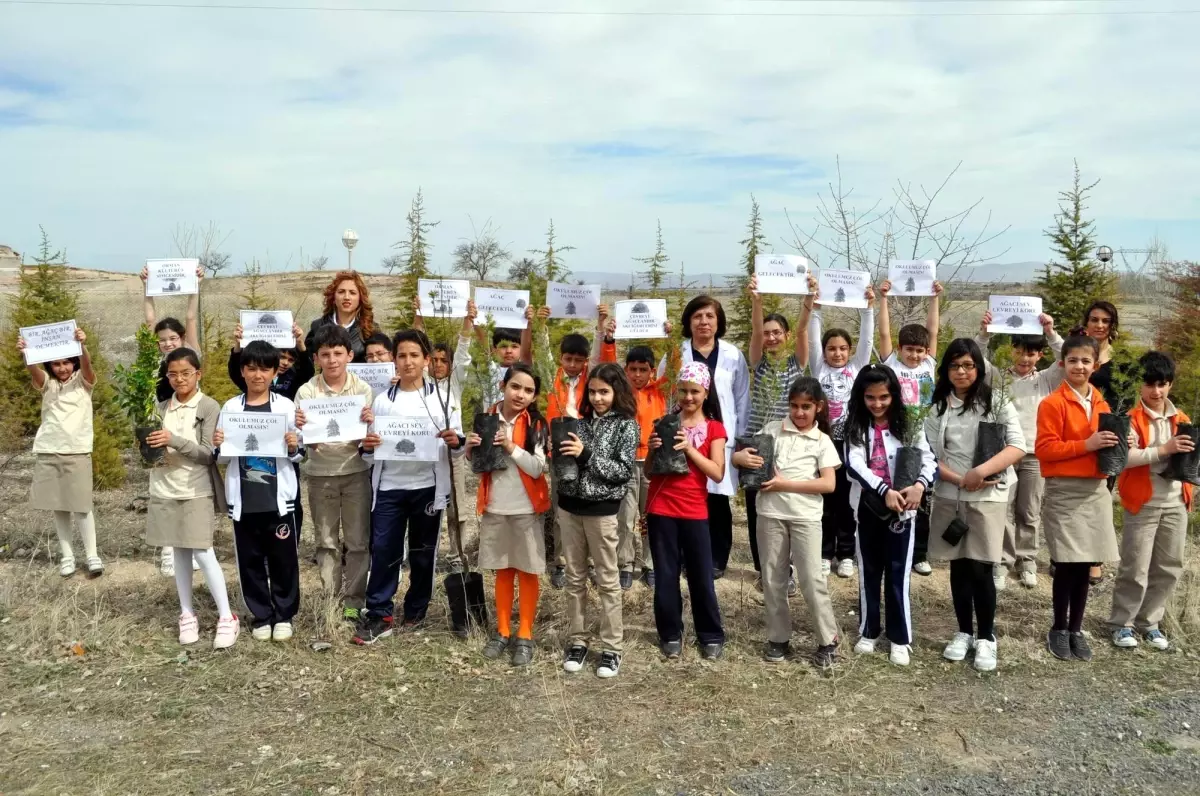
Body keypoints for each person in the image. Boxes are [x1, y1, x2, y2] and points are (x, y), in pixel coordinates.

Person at [354, 330, 464, 645]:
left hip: (427, 487)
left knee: (422, 553)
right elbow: (367, 453)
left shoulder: (442, 398)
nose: (408, 361)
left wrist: (454, 440)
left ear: (426, 360)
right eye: (401, 355)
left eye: (415, 355)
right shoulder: (382, 401)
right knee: (385, 550)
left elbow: (457, 446)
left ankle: (415, 610)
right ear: (394, 361)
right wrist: (369, 446)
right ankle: (380, 614)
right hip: (389, 487)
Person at [924, 339, 1026, 673]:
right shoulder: (939, 406)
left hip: (987, 495)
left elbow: (1017, 446)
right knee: (958, 566)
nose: (962, 372)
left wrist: (979, 472)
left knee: (982, 567)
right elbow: (928, 453)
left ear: (979, 368)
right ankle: (963, 631)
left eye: (968, 365)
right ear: (946, 370)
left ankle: (987, 637)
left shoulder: (995, 402)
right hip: (951, 496)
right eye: (955, 366)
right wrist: (958, 479)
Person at [735, 377, 841, 666]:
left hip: (806, 518)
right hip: (770, 514)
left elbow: (828, 484)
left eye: (806, 407)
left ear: (818, 407)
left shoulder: (822, 441)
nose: (799, 413)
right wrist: (739, 458)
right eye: (794, 406)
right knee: (772, 578)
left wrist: (784, 484)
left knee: (810, 578)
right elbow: (746, 457)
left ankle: (827, 639)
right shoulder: (772, 430)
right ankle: (779, 638)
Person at [1035, 334, 1120, 662]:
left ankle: (1076, 628)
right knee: (1067, 563)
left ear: (1095, 365)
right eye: (1073, 361)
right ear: (1062, 363)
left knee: (1086, 564)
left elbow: (1110, 449)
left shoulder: (1101, 403)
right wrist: (1087, 444)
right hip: (1065, 491)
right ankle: (1058, 627)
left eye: (1086, 361)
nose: (1079, 366)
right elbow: (1044, 449)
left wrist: (1121, 439)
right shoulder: (1052, 403)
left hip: (1095, 492)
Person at [144, 349, 237, 649]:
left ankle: (226, 616)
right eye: (173, 374)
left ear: (198, 374)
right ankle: (187, 613)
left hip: (196, 489)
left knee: (202, 550)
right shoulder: (159, 408)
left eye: (186, 373)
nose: (179, 379)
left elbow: (208, 454)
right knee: (179, 552)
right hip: (164, 488)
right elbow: (149, 454)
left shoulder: (208, 406)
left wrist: (173, 440)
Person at [843, 365, 935, 667]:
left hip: (903, 511)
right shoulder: (855, 426)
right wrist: (883, 490)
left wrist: (919, 486)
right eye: (870, 397)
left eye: (884, 397)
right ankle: (868, 630)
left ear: (894, 395)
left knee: (897, 573)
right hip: (869, 508)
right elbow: (854, 463)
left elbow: (928, 459)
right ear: (861, 397)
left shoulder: (910, 424)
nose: (878, 404)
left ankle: (899, 637)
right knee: (869, 571)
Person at [214, 341, 305, 642]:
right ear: (242, 371)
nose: (257, 375)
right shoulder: (231, 407)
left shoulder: (285, 407)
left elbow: (300, 454)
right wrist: (218, 443)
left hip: (278, 500)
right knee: (250, 560)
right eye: (251, 368)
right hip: (245, 500)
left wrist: (294, 445)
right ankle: (261, 615)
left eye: (264, 368)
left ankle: (284, 614)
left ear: (274, 371)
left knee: (283, 559)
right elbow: (223, 457)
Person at [556, 363, 640, 678]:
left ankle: (611, 648)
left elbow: (621, 471)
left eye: (603, 391)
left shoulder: (626, 427)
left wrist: (586, 454)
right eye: (592, 391)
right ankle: (577, 640)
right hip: (569, 507)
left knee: (607, 580)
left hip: (602, 511)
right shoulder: (578, 423)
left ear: (617, 391)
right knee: (575, 577)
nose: (597, 398)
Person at [657, 295, 749, 579]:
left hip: (721, 436)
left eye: (710, 316)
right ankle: (688, 557)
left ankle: (717, 558)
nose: (704, 322)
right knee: (689, 496)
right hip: (685, 435)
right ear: (688, 321)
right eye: (697, 316)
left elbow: (742, 395)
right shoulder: (676, 352)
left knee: (719, 500)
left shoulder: (733, 354)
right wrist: (667, 428)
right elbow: (664, 391)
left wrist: (741, 434)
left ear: (718, 321)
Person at [466, 363, 550, 667]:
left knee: (528, 570)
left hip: (526, 508)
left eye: (529, 390)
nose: (521, 394)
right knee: (502, 570)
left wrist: (512, 446)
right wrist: (470, 448)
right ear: (503, 386)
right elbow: (476, 465)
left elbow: (539, 468)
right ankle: (502, 631)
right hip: (495, 505)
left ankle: (525, 633)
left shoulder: (537, 424)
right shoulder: (486, 418)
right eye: (516, 386)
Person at [1109, 351, 1193, 651]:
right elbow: (1123, 460)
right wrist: (1163, 449)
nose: (1156, 391)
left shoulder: (1182, 418)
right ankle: (1122, 624)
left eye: (1162, 384)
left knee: (1169, 565)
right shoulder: (1129, 419)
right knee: (1136, 566)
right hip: (1143, 500)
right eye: (1150, 384)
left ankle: (1150, 623)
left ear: (1170, 385)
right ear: (1139, 385)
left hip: (1176, 501)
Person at [645, 362, 727, 660]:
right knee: (666, 575)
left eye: (694, 391)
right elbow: (649, 472)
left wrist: (689, 449)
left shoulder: (714, 428)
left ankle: (710, 634)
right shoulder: (665, 421)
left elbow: (717, 473)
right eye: (683, 390)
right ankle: (670, 633)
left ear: (706, 393)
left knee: (700, 575)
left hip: (695, 510)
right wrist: (653, 448)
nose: (688, 397)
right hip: (662, 507)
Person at [975, 311, 1064, 589]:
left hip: (1035, 456)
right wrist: (985, 334)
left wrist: (1050, 333)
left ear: (1039, 355)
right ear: (1011, 350)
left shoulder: (1047, 379)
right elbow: (977, 361)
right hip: (1004, 454)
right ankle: (1001, 561)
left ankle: (1027, 561)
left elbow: (1065, 357)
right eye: (1020, 351)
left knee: (1029, 510)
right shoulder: (999, 378)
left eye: (1032, 353)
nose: (1025, 358)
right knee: (1003, 509)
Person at [523, 303, 607, 589]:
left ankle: (592, 562)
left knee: (591, 502)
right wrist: (541, 325)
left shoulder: (590, 379)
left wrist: (600, 324)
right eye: (568, 359)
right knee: (563, 507)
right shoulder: (552, 376)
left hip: (585, 446)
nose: (573, 364)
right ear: (561, 358)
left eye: (578, 360)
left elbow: (598, 355)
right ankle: (561, 562)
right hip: (557, 450)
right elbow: (543, 356)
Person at [295, 324, 375, 622]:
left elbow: (372, 438)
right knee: (326, 542)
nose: (332, 360)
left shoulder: (363, 390)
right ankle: (331, 598)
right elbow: (299, 440)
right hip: (320, 474)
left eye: (338, 353)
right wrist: (301, 427)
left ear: (349, 355)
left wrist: (369, 423)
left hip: (356, 472)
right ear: (316, 358)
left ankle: (354, 599)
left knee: (356, 542)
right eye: (325, 354)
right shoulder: (306, 391)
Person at [744, 274, 810, 590]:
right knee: (759, 509)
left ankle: (791, 571)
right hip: (758, 442)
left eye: (776, 333)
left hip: (789, 442)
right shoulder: (758, 363)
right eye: (767, 333)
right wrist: (756, 299)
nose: (771, 337)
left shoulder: (797, 363)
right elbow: (755, 331)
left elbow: (802, 330)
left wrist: (808, 303)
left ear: (785, 336)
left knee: (788, 505)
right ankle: (764, 570)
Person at [21, 327, 103, 578]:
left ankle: (92, 555)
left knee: (81, 506)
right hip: (49, 450)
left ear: (74, 362)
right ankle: (67, 555)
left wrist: (82, 346)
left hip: (77, 450)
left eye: (67, 362)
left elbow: (88, 368)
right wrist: (27, 352)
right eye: (56, 364)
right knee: (59, 506)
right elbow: (35, 372)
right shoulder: (48, 385)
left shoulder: (83, 382)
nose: (62, 368)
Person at [808, 276, 876, 579]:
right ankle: (824, 552)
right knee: (825, 498)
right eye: (831, 348)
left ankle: (846, 552)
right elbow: (812, 338)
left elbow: (868, 341)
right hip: (822, 443)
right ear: (824, 352)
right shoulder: (818, 368)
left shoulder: (857, 368)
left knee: (849, 500)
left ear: (850, 351)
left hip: (850, 442)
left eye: (842, 348)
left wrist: (867, 308)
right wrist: (816, 309)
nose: (837, 353)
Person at [141, 262, 204, 577]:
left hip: (189, 426)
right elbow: (149, 320)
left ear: (182, 339)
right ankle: (169, 553)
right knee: (164, 488)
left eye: (172, 338)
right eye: (162, 339)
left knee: (190, 488)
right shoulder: (153, 360)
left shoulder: (191, 355)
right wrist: (147, 287)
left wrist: (195, 284)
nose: (167, 343)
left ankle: (189, 550)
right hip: (161, 425)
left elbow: (191, 317)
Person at [878, 278, 943, 577]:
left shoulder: (929, 365)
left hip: (924, 437)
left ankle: (919, 553)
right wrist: (883, 298)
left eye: (919, 350)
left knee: (922, 492)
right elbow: (884, 332)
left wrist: (934, 298)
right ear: (901, 349)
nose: (914, 355)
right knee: (895, 487)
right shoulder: (892, 364)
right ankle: (891, 541)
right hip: (896, 435)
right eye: (909, 350)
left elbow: (934, 329)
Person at [599, 337, 669, 590]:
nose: (638, 375)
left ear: (652, 371)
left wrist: (671, 338)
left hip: (653, 464)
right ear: (625, 370)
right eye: (633, 369)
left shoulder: (660, 390)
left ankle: (651, 563)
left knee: (651, 516)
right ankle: (625, 564)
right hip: (626, 463)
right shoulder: (619, 393)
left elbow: (675, 366)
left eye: (643, 370)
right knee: (625, 517)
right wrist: (609, 341)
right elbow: (607, 366)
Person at [417, 299, 476, 574]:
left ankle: (457, 553)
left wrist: (468, 320)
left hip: (452, 452)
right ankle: (420, 550)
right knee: (423, 504)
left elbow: (464, 350)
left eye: (444, 360)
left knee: (457, 507)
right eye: (435, 360)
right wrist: (418, 315)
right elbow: (416, 344)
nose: (438, 365)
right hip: (424, 452)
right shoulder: (421, 383)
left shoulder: (455, 382)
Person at [1077, 299, 1122, 586]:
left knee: (1101, 499)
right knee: (1074, 499)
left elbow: (1126, 401)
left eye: (1105, 321)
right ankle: (1067, 557)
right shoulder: (1076, 352)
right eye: (1094, 319)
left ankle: (1094, 560)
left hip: (1109, 435)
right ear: (1087, 322)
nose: (1099, 325)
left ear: (1112, 326)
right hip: (1078, 432)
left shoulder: (1122, 361)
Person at [305, 270, 375, 363]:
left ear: (360, 299)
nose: (346, 297)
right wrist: (300, 344)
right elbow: (307, 364)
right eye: (341, 292)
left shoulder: (370, 329)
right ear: (333, 297)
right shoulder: (318, 326)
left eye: (352, 293)